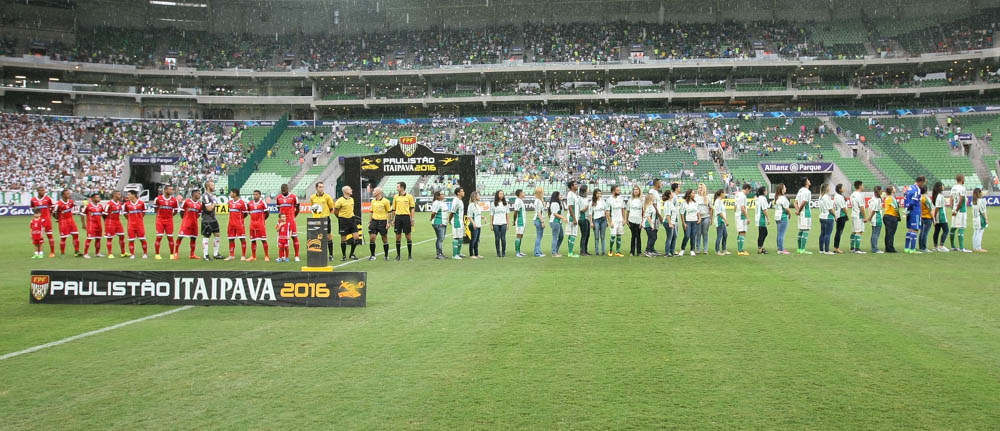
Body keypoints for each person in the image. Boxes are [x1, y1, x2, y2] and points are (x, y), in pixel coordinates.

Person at [308, 181, 337, 261]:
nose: (321, 188)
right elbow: (312, 207)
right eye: (320, 187)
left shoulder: (327, 197)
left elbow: (331, 207)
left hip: (325, 218)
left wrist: (325, 214)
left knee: (328, 236)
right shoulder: (312, 197)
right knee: (317, 237)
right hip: (316, 219)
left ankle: (331, 255)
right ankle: (320, 255)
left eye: (322, 187)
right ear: (316, 188)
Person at [390, 182, 416, 261]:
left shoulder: (409, 196)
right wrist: (392, 219)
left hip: (406, 217)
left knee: (408, 236)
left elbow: (412, 208)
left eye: (398, 186)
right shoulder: (395, 197)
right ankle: (398, 256)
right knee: (398, 237)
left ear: (402, 187)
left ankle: (410, 255)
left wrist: (412, 219)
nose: (397, 188)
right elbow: (393, 209)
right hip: (398, 218)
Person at [153, 185, 180, 260]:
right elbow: (155, 209)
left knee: (170, 237)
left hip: (169, 221)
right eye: (170, 189)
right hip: (160, 221)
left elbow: (176, 211)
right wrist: (160, 215)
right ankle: (157, 254)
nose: (172, 191)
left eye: (172, 189)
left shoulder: (174, 200)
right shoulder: (158, 199)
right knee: (159, 237)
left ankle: (171, 254)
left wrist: (170, 216)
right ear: (165, 190)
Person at [333, 186, 360, 261]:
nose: (351, 190)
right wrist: (340, 218)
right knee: (343, 238)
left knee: (356, 237)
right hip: (343, 221)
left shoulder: (352, 199)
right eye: (349, 189)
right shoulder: (339, 201)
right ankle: (344, 256)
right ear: (345, 191)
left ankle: (352, 254)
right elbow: (335, 211)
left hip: (352, 220)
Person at [274, 183, 299, 261]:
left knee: (294, 237)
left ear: (288, 189)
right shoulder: (278, 198)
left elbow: (298, 208)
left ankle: (296, 256)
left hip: (291, 220)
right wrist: (281, 217)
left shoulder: (293, 197)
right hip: (282, 221)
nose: (283, 192)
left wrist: (293, 216)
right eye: (282, 191)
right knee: (281, 238)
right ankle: (282, 256)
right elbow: (278, 208)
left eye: (284, 190)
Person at [902, 176, 926, 254]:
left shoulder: (909, 188)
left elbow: (905, 199)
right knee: (915, 229)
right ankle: (912, 249)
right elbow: (913, 202)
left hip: (909, 211)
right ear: (921, 181)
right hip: (915, 211)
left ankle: (906, 248)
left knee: (909, 229)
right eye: (924, 182)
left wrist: (906, 209)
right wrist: (909, 208)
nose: (924, 184)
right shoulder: (917, 189)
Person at [368, 187, 392, 261]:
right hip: (374, 222)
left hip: (383, 222)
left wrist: (388, 222)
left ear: (379, 192)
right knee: (372, 238)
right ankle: (372, 255)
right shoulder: (373, 201)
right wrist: (369, 222)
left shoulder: (386, 201)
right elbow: (371, 212)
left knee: (384, 239)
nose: (373, 192)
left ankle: (386, 255)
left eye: (374, 191)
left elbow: (389, 212)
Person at [29, 187, 55, 257]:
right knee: (37, 237)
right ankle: (38, 253)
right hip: (38, 221)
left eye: (44, 190)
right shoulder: (33, 200)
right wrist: (37, 217)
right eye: (41, 190)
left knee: (50, 235)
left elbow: (52, 208)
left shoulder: (48, 199)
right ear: (38, 191)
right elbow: (33, 209)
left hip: (47, 220)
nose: (43, 192)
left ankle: (52, 252)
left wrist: (49, 215)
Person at [54, 189, 81, 257]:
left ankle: (77, 252)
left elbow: (73, 206)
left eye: (69, 193)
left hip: (71, 221)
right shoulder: (58, 204)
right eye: (67, 194)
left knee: (76, 236)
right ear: (63, 195)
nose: (69, 195)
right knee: (63, 238)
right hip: (63, 223)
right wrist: (58, 219)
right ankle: (62, 253)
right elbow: (54, 213)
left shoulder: (71, 202)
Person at [178, 189, 204, 260]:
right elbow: (181, 212)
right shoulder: (186, 201)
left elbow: (198, 214)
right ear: (194, 194)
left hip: (194, 224)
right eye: (198, 193)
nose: (199, 195)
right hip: (186, 223)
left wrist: (194, 219)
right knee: (180, 237)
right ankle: (176, 253)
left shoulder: (199, 204)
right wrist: (185, 219)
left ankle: (192, 254)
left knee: (193, 238)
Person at [201, 181, 224, 260]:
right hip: (207, 220)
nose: (214, 187)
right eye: (212, 185)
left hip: (213, 219)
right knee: (207, 236)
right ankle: (205, 255)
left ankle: (216, 254)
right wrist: (214, 202)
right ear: (208, 187)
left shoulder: (212, 195)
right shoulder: (205, 196)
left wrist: (214, 201)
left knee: (217, 235)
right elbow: (209, 209)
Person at [949, 174, 971, 252]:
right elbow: (961, 200)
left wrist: (953, 210)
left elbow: (951, 199)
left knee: (954, 227)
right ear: (962, 179)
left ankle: (952, 246)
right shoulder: (962, 188)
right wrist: (957, 210)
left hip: (954, 210)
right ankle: (962, 248)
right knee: (962, 227)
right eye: (964, 178)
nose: (964, 179)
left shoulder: (953, 187)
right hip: (961, 210)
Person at [124, 190, 148, 259]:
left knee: (142, 239)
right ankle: (132, 254)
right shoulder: (126, 204)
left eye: (129, 195)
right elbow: (125, 214)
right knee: (131, 240)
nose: (128, 196)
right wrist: (130, 220)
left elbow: (144, 213)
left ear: (134, 195)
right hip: (131, 225)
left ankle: (145, 254)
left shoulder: (141, 203)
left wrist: (139, 219)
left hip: (140, 225)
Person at [247, 190, 270, 262]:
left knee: (263, 240)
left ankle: (266, 256)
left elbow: (267, 213)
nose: (255, 196)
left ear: (260, 195)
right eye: (254, 194)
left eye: (256, 194)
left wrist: (262, 220)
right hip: (252, 225)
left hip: (260, 225)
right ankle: (253, 256)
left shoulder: (263, 203)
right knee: (253, 240)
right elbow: (249, 212)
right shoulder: (250, 203)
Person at [226, 188, 248, 261]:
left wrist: (240, 219)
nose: (230, 194)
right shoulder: (230, 202)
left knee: (242, 239)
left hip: (239, 224)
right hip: (231, 224)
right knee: (231, 239)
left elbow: (245, 213)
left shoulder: (242, 202)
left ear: (235, 193)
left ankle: (243, 256)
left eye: (231, 192)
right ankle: (231, 255)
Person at [104, 191, 127, 258]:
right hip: (110, 222)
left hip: (118, 222)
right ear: (114, 195)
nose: (120, 195)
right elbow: (104, 214)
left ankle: (123, 252)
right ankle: (110, 254)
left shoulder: (119, 203)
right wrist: (107, 222)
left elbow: (122, 212)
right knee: (109, 238)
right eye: (119, 194)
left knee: (122, 236)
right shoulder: (109, 204)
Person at [81, 193, 105, 258]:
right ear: (93, 198)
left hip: (99, 225)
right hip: (91, 225)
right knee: (89, 239)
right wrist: (83, 224)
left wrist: (105, 222)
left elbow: (103, 215)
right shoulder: (88, 206)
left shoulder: (100, 206)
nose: (99, 198)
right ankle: (85, 254)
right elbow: (82, 214)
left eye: (99, 197)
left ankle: (97, 253)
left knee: (98, 239)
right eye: (97, 197)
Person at [794, 178, 813, 254]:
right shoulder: (807, 191)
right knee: (806, 230)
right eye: (808, 180)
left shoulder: (800, 190)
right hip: (806, 213)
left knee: (801, 230)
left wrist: (798, 211)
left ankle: (799, 249)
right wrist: (799, 210)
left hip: (800, 213)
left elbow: (795, 202)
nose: (809, 181)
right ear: (806, 182)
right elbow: (804, 202)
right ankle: (803, 249)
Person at [849, 180, 867, 254]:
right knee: (859, 231)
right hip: (858, 215)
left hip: (854, 214)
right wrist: (865, 217)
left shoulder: (852, 194)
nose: (863, 186)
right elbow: (861, 207)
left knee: (854, 231)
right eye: (862, 185)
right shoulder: (859, 195)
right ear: (860, 186)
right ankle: (857, 249)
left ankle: (852, 248)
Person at [490, 190, 510, 257]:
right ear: (497, 195)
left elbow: (507, 214)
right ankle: (498, 253)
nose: (502, 195)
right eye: (500, 194)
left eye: (502, 194)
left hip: (504, 223)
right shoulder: (493, 204)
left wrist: (508, 223)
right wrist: (491, 224)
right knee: (497, 238)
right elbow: (491, 214)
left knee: (503, 238)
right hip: (495, 223)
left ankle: (503, 253)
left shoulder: (505, 203)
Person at [680, 190, 699, 256]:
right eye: (693, 193)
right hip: (687, 221)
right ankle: (682, 249)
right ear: (689, 194)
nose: (694, 194)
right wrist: (683, 222)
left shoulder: (695, 203)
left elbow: (698, 211)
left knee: (693, 236)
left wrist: (699, 218)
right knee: (687, 236)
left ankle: (692, 250)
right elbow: (682, 213)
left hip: (695, 221)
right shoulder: (684, 203)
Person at [931, 182, 950, 252]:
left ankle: (935, 246)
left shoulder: (936, 195)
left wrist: (935, 217)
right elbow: (937, 207)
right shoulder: (940, 196)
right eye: (942, 185)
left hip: (938, 215)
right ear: (940, 187)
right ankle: (941, 246)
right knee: (946, 230)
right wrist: (935, 217)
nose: (943, 186)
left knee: (937, 231)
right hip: (941, 215)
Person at [448, 187, 466, 260]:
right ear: (458, 193)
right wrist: (449, 220)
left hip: (460, 221)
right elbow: (452, 212)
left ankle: (458, 253)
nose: (464, 192)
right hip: (456, 221)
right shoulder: (455, 201)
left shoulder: (460, 200)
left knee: (460, 238)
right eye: (462, 191)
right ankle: (454, 255)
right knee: (456, 237)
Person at [607, 185, 625, 257]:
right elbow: (607, 212)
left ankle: (618, 251)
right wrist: (610, 222)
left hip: (620, 220)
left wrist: (624, 219)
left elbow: (623, 209)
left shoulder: (621, 198)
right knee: (613, 236)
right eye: (617, 190)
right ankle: (610, 250)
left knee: (619, 235)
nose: (619, 191)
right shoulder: (609, 200)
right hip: (613, 220)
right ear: (613, 191)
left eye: (619, 190)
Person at [429, 190, 448, 259]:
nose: (443, 195)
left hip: (443, 223)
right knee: (440, 238)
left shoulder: (441, 202)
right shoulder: (436, 203)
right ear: (437, 196)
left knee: (440, 238)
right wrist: (431, 219)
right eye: (441, 194)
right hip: (439, 223)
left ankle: (440, 253)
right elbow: (433, 213)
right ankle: (439, 254)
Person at [626, 185, 643, 256]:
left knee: (638, 236)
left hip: (639, 220)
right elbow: (627, 211)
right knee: (633, 236)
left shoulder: (642, 200)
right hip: (631, 220)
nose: (635, 191)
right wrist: (626, 220)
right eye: (634, 189)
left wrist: (642, 222)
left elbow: (643, 212)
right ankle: (632, 252)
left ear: (639, 191)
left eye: (637, 189)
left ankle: (639, 252)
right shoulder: (630, 200)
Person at [647, 179, 663, 255]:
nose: (661, 184)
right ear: (656, 184)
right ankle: (648, 250)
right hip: (654, 215)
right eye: (660, 182)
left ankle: (652, 249)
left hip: (656, 215)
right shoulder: (652, 191)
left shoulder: (656, 192)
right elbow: (653, 203)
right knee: (653, 234)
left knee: (655, 233)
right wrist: (659, 215)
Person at [818, 184, 835, 255]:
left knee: (822, 233)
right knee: (828, 234)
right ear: (826, 188)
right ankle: (827, 250)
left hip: (822, 216)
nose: (829, 188)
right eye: (828, 187)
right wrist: (835, 216)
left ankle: (821, 249)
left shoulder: (820, 196)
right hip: (828, 217)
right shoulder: (826, 197)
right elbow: (830, 209)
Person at [565, 181, 581, 258]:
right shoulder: (570, 195)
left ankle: (570, 251)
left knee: (571, 234)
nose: (577, 185)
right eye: (575, 184)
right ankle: (570, 253)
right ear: (571, 186)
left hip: (574, 217)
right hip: (572, 217)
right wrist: (574, 218)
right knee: (573, 234)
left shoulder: (574, 194)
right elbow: (570, 207)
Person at [773, 184, 790, 254]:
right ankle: (781, 249)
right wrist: (790, 214)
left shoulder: (777, 197)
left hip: (777, 217)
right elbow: (787, 209)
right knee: (781, 234)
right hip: (783, 217)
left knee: (779, 233)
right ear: (782, 189)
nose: (786, 188)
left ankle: (779, 247)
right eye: (784, 187)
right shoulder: (783, 198)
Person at [734, 183, 750, 256]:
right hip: (742, 216)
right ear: (747, 189)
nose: (749, 192)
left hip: (738, 215)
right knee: (743, 232)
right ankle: (740, 250)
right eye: (749, 191)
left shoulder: (738, 194)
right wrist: (747, 217)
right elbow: (742, 208)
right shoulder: (743, 196)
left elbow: (735, 206)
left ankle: (739, 249)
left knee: (740, 232)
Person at [866, 186, 883, 253]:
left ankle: (873, 247)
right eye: (881, 190)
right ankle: (875, 248)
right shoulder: (877, 200)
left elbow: (870, 209)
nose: (882, 191)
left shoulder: (872, 199)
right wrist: (870, 217)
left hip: (874, 218)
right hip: (877, 218)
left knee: (874, 233)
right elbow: (874, 210)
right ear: (878, 191)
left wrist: (870, 217)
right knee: (876, 234)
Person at [832, 183, 848, 254]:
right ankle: (836, 248)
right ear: (840, 189)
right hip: (841, 216)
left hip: (838, 215)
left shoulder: (837, 196)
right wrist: (847, 215)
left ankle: (836, 247)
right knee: (839, 232)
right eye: (843, 187)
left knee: (838, 232)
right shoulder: (839, 197)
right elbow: (843, 207)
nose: (844, 188)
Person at [590, 188, 607, 257]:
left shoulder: (603, 201)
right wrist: (591, 222)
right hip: (596, 220)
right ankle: (597, 252)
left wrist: (607, 220)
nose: (599, 194)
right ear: (595, 194)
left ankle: (603, 252)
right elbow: (590, 213)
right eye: (598, 193)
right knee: (596, 237)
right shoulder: (592, 202)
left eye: (600, 193)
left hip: (603, 220)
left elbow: (606, 211)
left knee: (603, 236)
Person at [883, 186, 900, 253]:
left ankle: (887, 247)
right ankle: (890, 248)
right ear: (892, 191)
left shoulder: (888, 197)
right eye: (893, 188)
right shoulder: (891, 198)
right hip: (891, 216)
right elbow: (895, 208)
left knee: (888, 233)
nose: (895, 189)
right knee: (891, 233)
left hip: (887, 216)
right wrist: (898, 216)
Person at [548, 191, 565, 257]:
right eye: (560, 195)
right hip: (555, 222)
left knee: (561, 236)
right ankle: (554, 253)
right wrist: (563, 218)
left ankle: (556, 251)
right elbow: (555, 213)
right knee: (555, 237)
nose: (561, 196)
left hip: (558, 222)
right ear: (557, 196)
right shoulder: (555, 203)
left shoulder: (557, 203)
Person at [511, 189, 527, 257]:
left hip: (523, 221)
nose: (524, 193)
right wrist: (514, 221)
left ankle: (519, 251)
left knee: (521, 236)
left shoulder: (520, 200)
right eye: (523, 192)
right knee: (519, 235)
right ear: (520, 193)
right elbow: (515, 212)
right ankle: (517, 252)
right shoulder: (518, 201)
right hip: (520, 221)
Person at [972, 187, 988, 252]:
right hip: (980, 218)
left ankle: (975, 247)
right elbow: (983, 211)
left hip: (975, 218)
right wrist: (986, 218)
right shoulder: (981, 201)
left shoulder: (974, 201)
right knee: (979, 233)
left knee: (975, 233)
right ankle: (978, 247)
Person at [713, 189, 729, 255]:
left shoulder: (720, 201)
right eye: (724, 193)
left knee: (725, 235)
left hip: (722, 220)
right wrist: (725, 220)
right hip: (719, 220)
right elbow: (719, 213)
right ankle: (717, 251)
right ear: (721, 193)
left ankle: (724, 249)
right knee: (719, 236)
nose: (725, 194)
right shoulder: (717, 201)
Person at [754, 186, 770, 255]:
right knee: (763, 233)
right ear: (763, 192)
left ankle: (760, 247)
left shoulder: (758, 198)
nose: (767, 191)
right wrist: (768, 218)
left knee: (763, 233)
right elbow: (764, 209)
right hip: (761, 218)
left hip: (758, 217)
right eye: (766, 190)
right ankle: (760, 249)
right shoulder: (763, 199)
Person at [468, 191, 483, 259]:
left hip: (478, 224)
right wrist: (473, 223)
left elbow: (477, 214)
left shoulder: (477, 204)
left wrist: (482, 217)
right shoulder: (471, 205)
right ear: (475, 197)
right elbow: (469, 216)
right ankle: (471, 254)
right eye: (478, 195)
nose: (479, 196)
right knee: (473, 240)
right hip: (473, 225)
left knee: (477, 240)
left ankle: (476, 254)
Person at [918, 184, 934, 253]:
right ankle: (924, 248)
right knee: (925, 233)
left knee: (922, 232)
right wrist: (934, 219)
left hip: (922, 216)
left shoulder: (919, 197)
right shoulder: (926, 198)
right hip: (927, 217)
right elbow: (930, 209)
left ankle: (921, 247)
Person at [667, 182, 681, 256]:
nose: (680, 188)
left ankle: (672, 250)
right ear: (676, 188)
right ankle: (670, 251)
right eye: (679, 187)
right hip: (674, 219)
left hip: (675, 218)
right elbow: (671, 207)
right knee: (673, 236)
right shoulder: (674, 196)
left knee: (674, 235)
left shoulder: (675, 196)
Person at [696, 183, 711, 255]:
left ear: (704, 189)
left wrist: (711, 218)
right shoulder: (696, 197)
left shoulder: (708, 197)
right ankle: (698, 249)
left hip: (706, 217)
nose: (699, 189)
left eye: (701, 188)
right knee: (698, 233)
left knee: (705, 233)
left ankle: (705, 249)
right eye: (698, 187)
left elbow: (711, 208)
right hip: (697, 218)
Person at [642, 192, 657, 257]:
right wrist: (651, 224)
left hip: (649, 223)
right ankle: (647, 251)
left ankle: (650, 250)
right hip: (648, 224)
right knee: (653, 237)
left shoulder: (650, 205)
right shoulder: (649, 206)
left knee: (652, 237)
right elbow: (648, 216)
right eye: (652, 197)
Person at [661, 190, 676, 257]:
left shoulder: (670, 202)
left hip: (672, 222)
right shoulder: (667, 203)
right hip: (668, 222)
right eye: (671, 193)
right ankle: (667, 252)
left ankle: (671, 252)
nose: (673, 194)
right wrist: (670, 223)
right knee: (669, 237)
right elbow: (667, 214)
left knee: (674, 236)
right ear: (669, 195)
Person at [531, 187, 546, 257]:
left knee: (540, 236)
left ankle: (538, 250)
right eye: (542, 192)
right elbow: (538, 212)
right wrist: (542, 221)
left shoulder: (540, 200)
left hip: (539, 220)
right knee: (539, 237)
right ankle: (537, 252)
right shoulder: (537, 201)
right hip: (538, 220)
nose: (543, 193)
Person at [577, 184, 591, 256]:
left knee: (587, 235)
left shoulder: (586, 198)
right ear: (584, 190)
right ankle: (582, 251)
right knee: (584, 235)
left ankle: (585, 250)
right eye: (587, 189)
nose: (588, 190)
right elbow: (581, 210)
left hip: (587, 218)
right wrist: (587, 207)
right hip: (582, 218)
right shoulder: (579, 198)